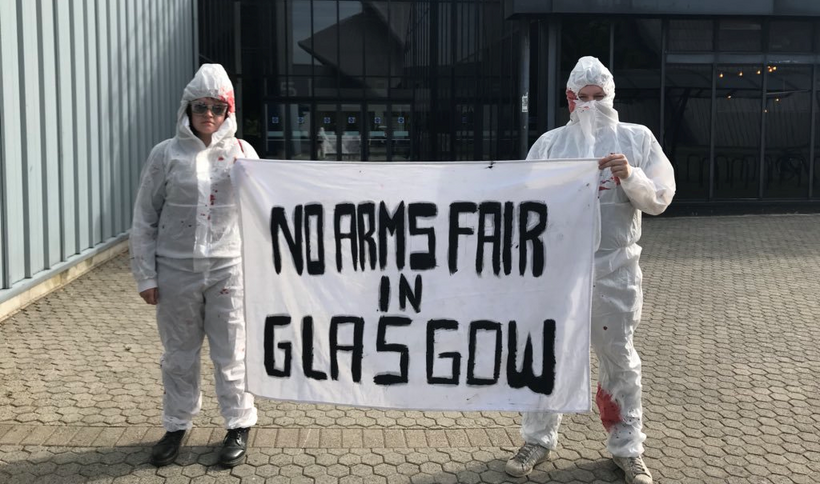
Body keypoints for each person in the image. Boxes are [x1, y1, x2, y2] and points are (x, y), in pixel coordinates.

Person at [505, 56, 675, 484]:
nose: (592, 105)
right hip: (558, 271)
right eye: (583, 98)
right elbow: (524, 204)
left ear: (611, 96)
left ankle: (627, 445)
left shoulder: (636, 140)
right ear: (569, 99)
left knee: (618, 357)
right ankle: (538, 438)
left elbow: (659, 198)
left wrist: (630, 177)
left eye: (599, 98)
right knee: (548, 354)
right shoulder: (549, 145)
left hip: (614, 267)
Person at [130, 63, 259, 468]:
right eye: (200, 105)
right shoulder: (165, 154)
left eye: (217, 107)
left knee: (232, 351)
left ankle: (238, 424)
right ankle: (176, 425)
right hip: (175, 272)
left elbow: (264, 212)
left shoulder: (242, 154)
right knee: (179, 355)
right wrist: (146, 276)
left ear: (228, 112)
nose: (208, 114)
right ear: (188, 108)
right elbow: (144, 218)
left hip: (228, 270)